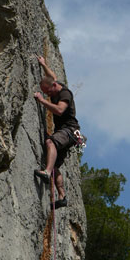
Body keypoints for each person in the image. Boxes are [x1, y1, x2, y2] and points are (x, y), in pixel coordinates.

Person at [34, 55, 80, 209]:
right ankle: (62, 196)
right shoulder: (54, 84)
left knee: (50, 142)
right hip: (65, 132)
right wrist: (43, 64)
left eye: (49, 92)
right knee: (54, 165)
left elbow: (60, 110)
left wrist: (42, 101)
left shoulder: (64, 94)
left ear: (54, 86)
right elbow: (52, 75)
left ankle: (46, 173)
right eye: (46, 93)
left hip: (71, 130)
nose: (49, 95)